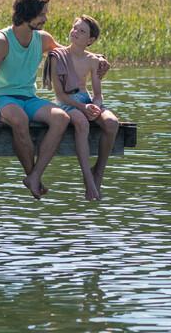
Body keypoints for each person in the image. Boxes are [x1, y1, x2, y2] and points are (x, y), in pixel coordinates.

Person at [0, 0, 71, 200]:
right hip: (1, 98)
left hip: (28, 98)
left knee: (61, 118)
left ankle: (35, 175)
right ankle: (33, 176)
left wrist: (97, 60)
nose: (45, 19)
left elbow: (68, 56)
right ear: (28, 13)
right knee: (19, 118)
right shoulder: (1, 41)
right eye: (42, 14)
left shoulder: (43, 39)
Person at [45, 15, 122, 201]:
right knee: (81, 122)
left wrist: (95, 106)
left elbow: (97, 94)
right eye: (74, 28)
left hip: (86, 100)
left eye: (82, 31)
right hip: (67, 103)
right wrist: (82, 107)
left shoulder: (93, 60)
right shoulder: (58, 57)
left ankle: (98, 173)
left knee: (112, 123)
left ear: (90, 40)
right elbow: (61, 95)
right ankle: (88, 180)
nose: (75, 32)